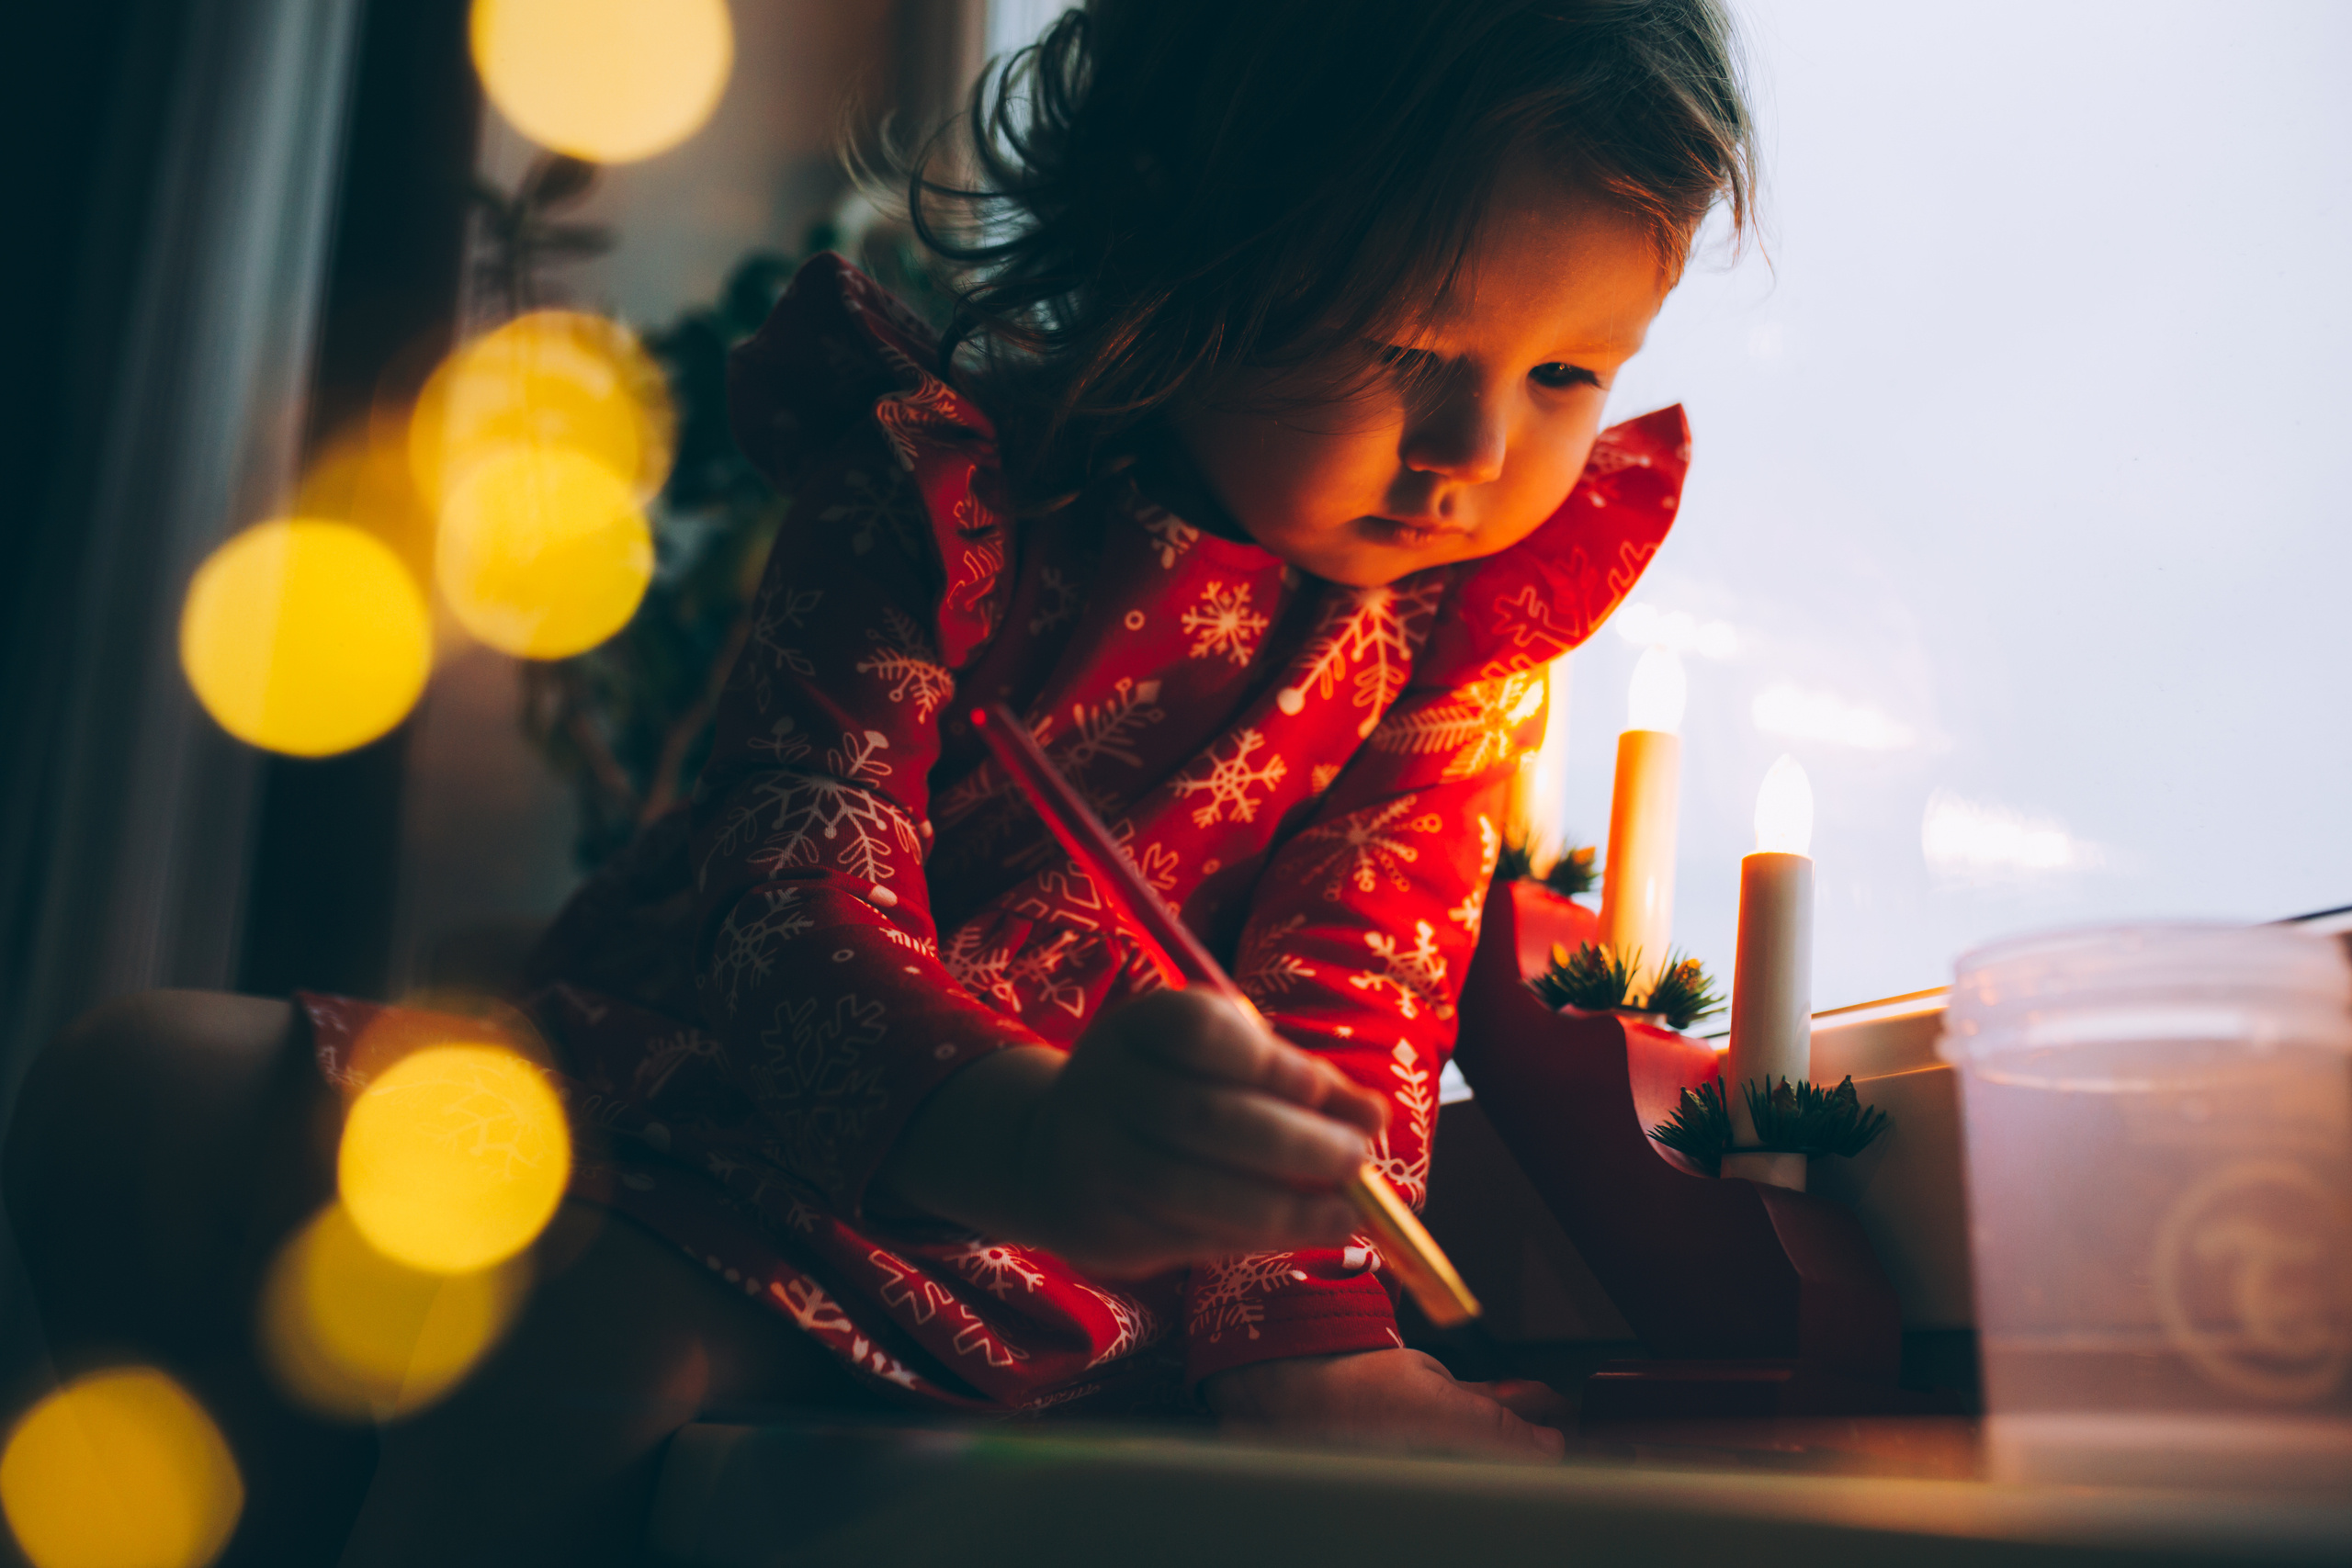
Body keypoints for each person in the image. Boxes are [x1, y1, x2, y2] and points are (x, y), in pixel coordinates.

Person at [7, 1, 1754, 1560]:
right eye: (1404, 349)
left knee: (585, 1341)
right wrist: (1019, 1130)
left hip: (1033, 1235)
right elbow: (788, 893)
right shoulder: (939, 489)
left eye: (1567, 375)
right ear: (1183, 238)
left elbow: (1354, 998)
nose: (1474, 454)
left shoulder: (1455, 636)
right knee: (127, 1090)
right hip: (731, 1091)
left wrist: (1308, 1344)